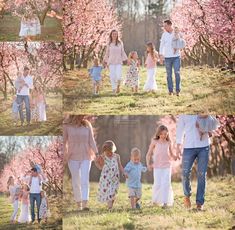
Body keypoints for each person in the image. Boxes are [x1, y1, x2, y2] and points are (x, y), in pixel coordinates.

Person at [176, 115, 219, 210]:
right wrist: (178, 146)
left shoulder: (203, 109)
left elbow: (214, 121)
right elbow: (179, 130)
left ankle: (199, 203)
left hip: (204, 146)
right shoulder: (184, 114)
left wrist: (208, 119)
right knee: (185, 173)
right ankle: (187, 195)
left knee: (201, 174)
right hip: (188, 146)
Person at [63, 115, 98, 211]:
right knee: (76, 181)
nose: (82, 117)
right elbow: (64, 141)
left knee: (84, 179)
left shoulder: (87, 125)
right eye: (80, 115)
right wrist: (64, 155)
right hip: (72, 157)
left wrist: (97, 153)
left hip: (86, 156)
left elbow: (91, 140)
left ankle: (85, 204)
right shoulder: (67, 126)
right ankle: (79, 205)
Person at [146, 125, 178, 208]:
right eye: (162, 134)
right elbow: (148, 154)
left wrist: (175, 156)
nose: (164, 136)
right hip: (157, 167)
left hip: (167, 166)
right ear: (159, 133)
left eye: (165, 134)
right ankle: (156, 201)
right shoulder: (154, 142)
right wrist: (148, 164)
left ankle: (165, 203)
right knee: (157, 184)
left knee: (166, 184)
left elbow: (171, 154)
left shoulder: (168, 142)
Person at [95, 140, 127, 210]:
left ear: (113, 150)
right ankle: (110, 207)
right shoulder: (102, 156)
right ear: (104, 151)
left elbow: (120, 165)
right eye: (107, 152)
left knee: (113, 192)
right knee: (109, 191)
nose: (109, 154)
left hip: (115, 178)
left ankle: (110, 206)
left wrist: (124, 172)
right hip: (106, 178)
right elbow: (96, 162)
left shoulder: (116, 156)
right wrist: (100, 166)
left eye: (111, 152)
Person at [159, 20, 185, 96]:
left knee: (177, 73)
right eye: (164, 26)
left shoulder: (177, 33)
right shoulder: (164, 35)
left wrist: (178, 47)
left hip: (176, 56)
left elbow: (182, 43)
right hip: (167, 57)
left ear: (170, 25)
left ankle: (178, 90)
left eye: (165, 26)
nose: (164, 27)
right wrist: (161, 55)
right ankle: (170, 91)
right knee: (169, 75)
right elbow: (162, 45)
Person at [103, 30, 128, 94]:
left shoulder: (120, 43)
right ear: (111, 35)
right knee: (112, 76)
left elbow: (122, 52)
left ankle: (118, 86)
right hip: (111, 62)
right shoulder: (109, 43)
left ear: (117, 35)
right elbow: (107, 53)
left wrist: (127, 59)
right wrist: (105, 61)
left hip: (118, 62)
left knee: (118, 76)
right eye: (113, 34)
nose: (114, 35)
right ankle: (114, 89)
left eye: (116, 34)